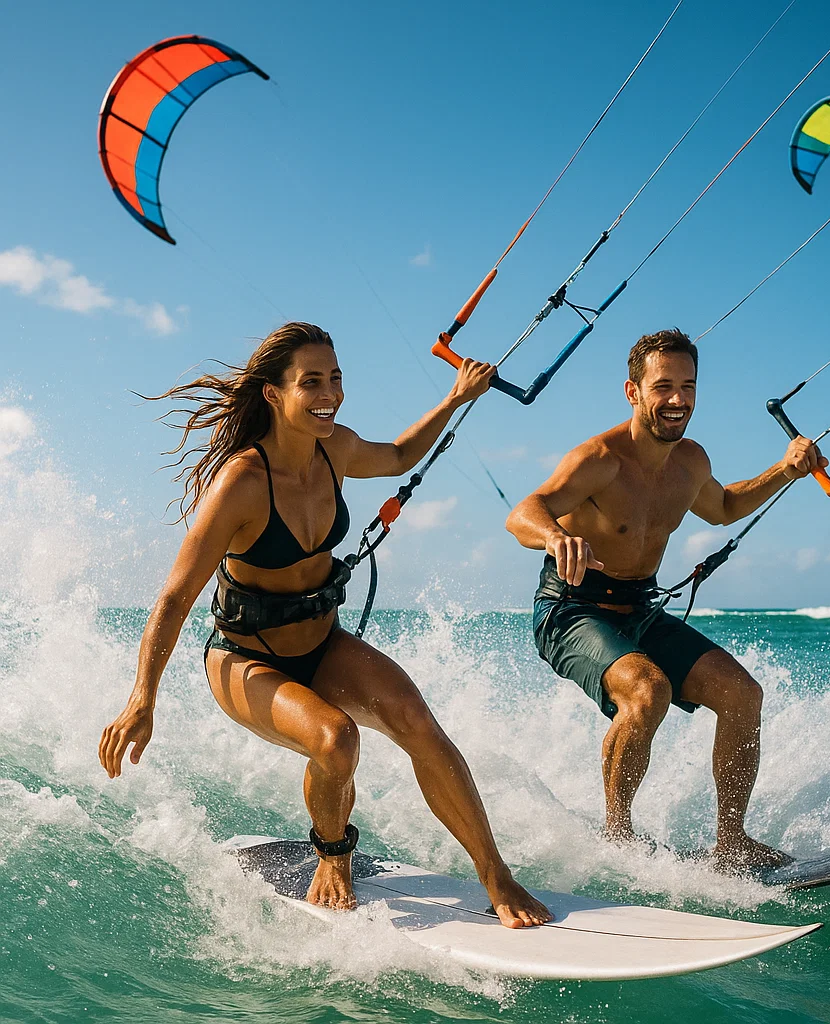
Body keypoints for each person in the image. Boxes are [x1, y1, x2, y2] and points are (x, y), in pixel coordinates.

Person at [99, 322, 551, 928]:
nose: (329, 394)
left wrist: (453, 399)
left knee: (417, 720)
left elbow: (395, 457)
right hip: (244, 658)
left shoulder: (334, 448)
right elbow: (175, 597)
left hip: (322, 640)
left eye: (335, 379)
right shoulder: (243, 482)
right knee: (337, 738)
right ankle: (332, 855)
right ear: (273, 394)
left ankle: (496, 874)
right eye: (310, 382)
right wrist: (141, 698)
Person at [506, 328, 826, 870]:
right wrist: (555, 536)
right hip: (572, 607)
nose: (678, 400)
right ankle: (618, 837)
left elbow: (723, 507)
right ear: (633, 392)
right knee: (647, 690)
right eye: (663, 387)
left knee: (742, 694)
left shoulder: (691, 462)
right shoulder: (599, 458)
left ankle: (731, 842)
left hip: (641, 607)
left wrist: (785, 471)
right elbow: (523, 512)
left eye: (688, 387)